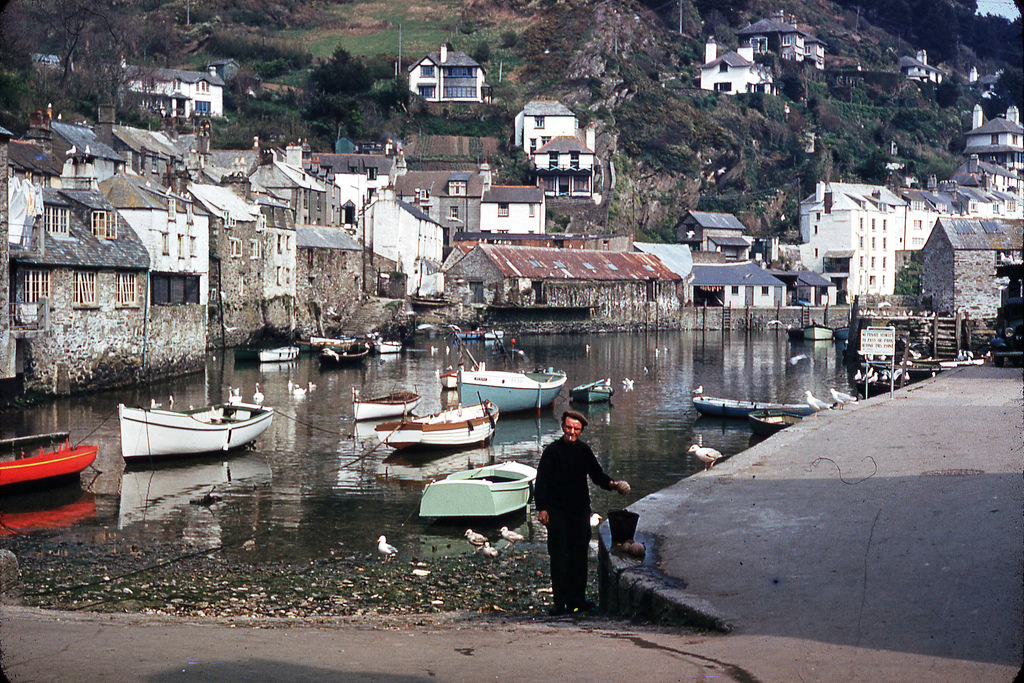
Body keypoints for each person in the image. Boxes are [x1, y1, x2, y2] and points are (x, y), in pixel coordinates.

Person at [534, 409, 630, 615]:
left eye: (576, 429)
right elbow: (541, 481)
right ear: (562, 427)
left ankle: (577, 601)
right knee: (559, 557)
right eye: (569, 427)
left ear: (581, 430)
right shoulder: (551, 452)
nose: (572, 432)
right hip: (557, 513)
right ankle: (560, 604)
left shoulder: (584, 451)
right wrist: (541, 508)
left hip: (579, 513)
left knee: (579, 557)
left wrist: (614, 484)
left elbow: (597, 475)